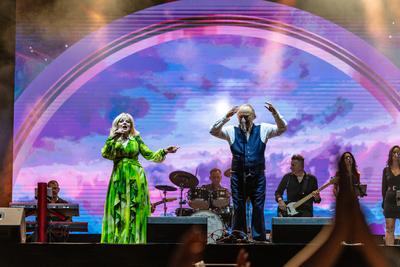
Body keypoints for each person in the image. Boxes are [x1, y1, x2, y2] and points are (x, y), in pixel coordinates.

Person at [210, 102, 287, 241]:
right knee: (238, 207)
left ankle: (258, 238)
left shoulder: (263, 129)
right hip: (238, 177)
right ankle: (239, 236)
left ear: (254, 116)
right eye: (240, 116)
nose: (243, 118)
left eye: (247, 115)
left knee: (258, 207)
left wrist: (275, 114)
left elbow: (282, 128)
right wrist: (226, 117)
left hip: (257, 176)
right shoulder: (231, 130)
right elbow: (213, 131)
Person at [101, 112, 178, 244]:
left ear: (131, 125)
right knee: (119, 207)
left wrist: (165, 151)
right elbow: (106, 154)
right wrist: (112, 138)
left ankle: (135, 241)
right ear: (117, 124)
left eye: (128, 121)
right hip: (119, 176)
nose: (125, 123)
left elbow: (150, 155)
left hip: (136, 176)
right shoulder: (113, 141)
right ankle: (118, 241)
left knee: (134, 207)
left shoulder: (136, 139)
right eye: (122, 121)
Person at [382, 145, 400, 245]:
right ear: (391, 154)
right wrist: (383, 203)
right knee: (389, 228)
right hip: (389, 200)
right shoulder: (386, 170)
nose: (396, 154)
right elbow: (383, 188)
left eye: (398, 152)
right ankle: (389, 252)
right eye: (394, 152)